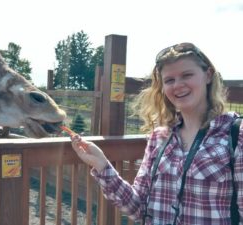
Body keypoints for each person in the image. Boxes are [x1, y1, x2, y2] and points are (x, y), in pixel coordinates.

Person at [70, 42, 243, 225]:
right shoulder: (159, 138)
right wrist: (102, 165)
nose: (178, 85)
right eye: (169, 80)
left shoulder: (235, 136)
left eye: (187, 75)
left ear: (208, 75)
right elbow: (138, 208)